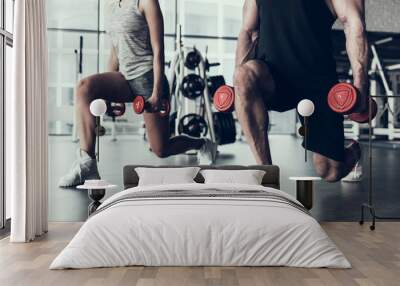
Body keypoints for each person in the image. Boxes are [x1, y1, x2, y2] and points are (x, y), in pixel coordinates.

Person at [59, 0, 217, 188]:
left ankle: (203, 144)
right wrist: (108, 97)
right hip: (124, 79)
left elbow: (158, 51)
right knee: (84, 87)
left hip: (148, 79)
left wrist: (157, 91)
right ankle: (87, 165)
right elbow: (115, 52)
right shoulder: (111, 5)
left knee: (161, 148)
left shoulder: (146, 2)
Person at [234, 0, 369, 182]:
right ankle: (267, 175)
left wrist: (360, 84)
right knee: (243, 75)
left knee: (329, 171)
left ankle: (353, 151)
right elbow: (249, 33)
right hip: (273, 77)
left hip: (318, 82)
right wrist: (239, 88)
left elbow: (354, 24)